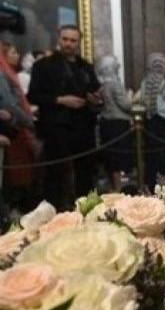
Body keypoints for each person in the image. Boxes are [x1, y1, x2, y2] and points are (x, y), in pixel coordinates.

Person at [27, 26, 102, 209]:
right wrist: (60, 100)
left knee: (85, 174)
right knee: (55, 176)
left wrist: (95, 99)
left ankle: (87, 212)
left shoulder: (86, 66)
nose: (68, 44)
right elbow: (33, 96)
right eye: (65, 39)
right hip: (56, 128)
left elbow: (95, 92)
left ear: (79, 43)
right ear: (59, 39)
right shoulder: (43, 65)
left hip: (83, 127)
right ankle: (55, 214)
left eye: (73, 40)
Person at [0, 40, 38, 211]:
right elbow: (9, 104)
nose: (17, 56)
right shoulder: (3, 73)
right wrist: (27, 120)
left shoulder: (8, 73)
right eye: (12, 52)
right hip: (12, 128)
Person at [136, 53, 165, 190]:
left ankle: (151, 185)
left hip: (149, 122)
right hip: (163, 123)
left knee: (151, 155)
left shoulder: (145, 83)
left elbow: (142, 100)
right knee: (164, 154)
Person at [96, 55, 133, 192]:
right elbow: (125, 105)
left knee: (111, 159)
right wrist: (131, 96)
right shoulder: (115, 85)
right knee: (119, 159)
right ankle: (119, 188)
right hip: (118, 124)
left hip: (107, 124)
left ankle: (113, 188)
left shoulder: (103, 85)